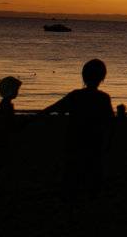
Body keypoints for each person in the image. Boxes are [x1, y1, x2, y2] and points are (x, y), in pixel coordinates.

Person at [41, 58, 115, 197]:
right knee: (92, 173)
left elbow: (54, 108)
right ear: (102, 77)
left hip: (74, 141)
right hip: (94, 143)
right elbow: (110, 121)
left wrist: (34, 118)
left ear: (83, 76)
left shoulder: (75, 95)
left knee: (73, 173)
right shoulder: (103, 98)